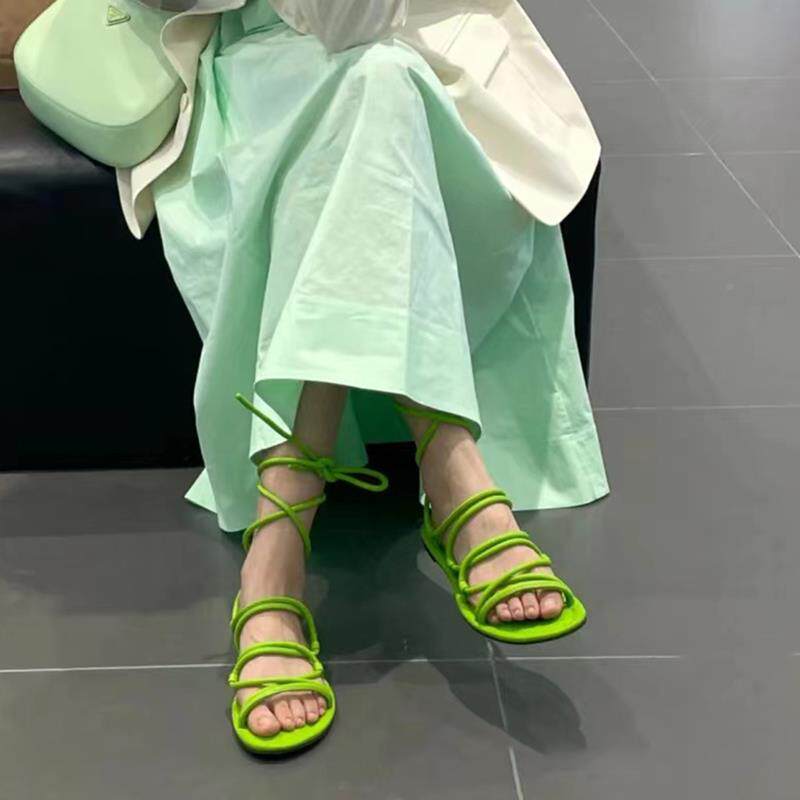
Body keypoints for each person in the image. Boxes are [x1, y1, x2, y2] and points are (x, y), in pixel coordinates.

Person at [129, 0, 609, 754]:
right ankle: (451, 466)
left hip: (426, 51)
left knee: (379, 76)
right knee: (368, 87)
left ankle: (279, 540)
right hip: (254, 69)